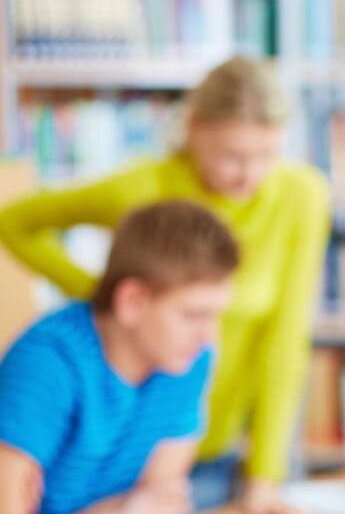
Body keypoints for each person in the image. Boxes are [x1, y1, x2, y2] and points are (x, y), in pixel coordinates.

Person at [0, 57, 331, 512]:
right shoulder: (50, 364)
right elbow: (15, 222)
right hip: (115, 420)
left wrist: (264, 477)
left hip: (207, 435)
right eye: (232, 155)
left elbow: (286, 344)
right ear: (194, 130)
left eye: (267, 156)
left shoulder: (191, 364)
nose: (249, 175)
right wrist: (103, 301)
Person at [0, 201, 238, 514]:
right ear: (132, 301)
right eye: (194, 315)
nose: (208, 335)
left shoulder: (189, 360)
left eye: (215, 316)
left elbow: (161, 502)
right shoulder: (48, 364)